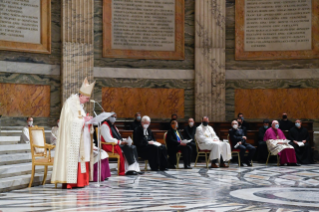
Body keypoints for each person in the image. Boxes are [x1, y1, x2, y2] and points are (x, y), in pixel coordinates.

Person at [51, 77, 95, 189]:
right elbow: (69, 122)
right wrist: (83, 121)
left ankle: (82, 181)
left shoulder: (80, 105)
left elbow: (80, 119)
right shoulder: (70, 104)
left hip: (80, 139)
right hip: (71, 140)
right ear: (81, 95)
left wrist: (87, 119)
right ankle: (72, 182)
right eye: (86, 98)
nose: (87, 100)